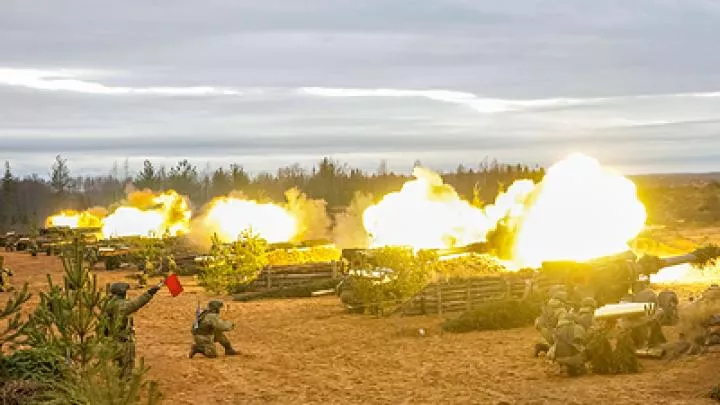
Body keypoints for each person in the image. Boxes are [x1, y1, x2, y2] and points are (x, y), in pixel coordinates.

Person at [104, 281, 160, 377]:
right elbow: (135, 304)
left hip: (114, 341)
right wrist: (150, 293)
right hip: (123, 341)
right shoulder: (120, 305)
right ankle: (124, 388)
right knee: (126, 369)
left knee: (117, 368)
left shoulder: (110, 303)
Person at [550, 311, 588, 376]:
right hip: (572, 357)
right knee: (587, 350)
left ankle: (563, 366)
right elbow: (584, 340)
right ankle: (579, 366)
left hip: (558, 358)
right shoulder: (577, 327)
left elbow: (553, 341)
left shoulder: (557, 329)